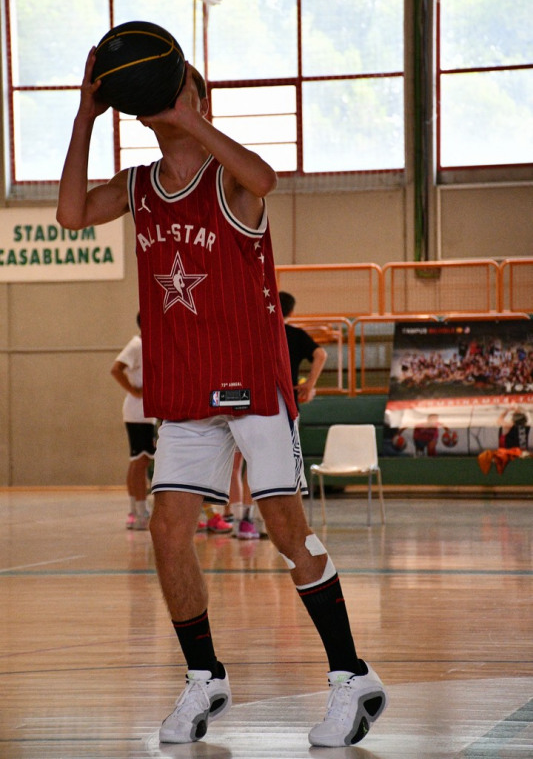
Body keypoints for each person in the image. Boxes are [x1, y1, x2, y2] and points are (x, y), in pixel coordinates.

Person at [56, 46, 387, 748]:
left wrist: (192, 119)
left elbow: (265, 178)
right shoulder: (138, 186)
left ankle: (351, 676)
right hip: (184, 388)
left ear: (195, 101)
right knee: (166, 529)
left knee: (286, 532)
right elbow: (70, 214)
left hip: (250, 382)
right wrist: (86, 115)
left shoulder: (229, 180)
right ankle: (205, 677)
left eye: (180, 90)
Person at [110, 313, 156, 530]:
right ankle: (140, 511)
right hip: (138, 411)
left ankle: (135, 511)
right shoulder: (137, 344)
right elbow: (115, 369)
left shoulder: (149, 346)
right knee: (140, 461)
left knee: (139, 460)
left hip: (145, 412)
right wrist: (134, 391)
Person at [279, 291, 328, 409]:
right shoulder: (296, 335)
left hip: (258, 400)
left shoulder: (255, 333)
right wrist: (310, 383)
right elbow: (320, 355)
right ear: (291, 313)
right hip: (287, 401)